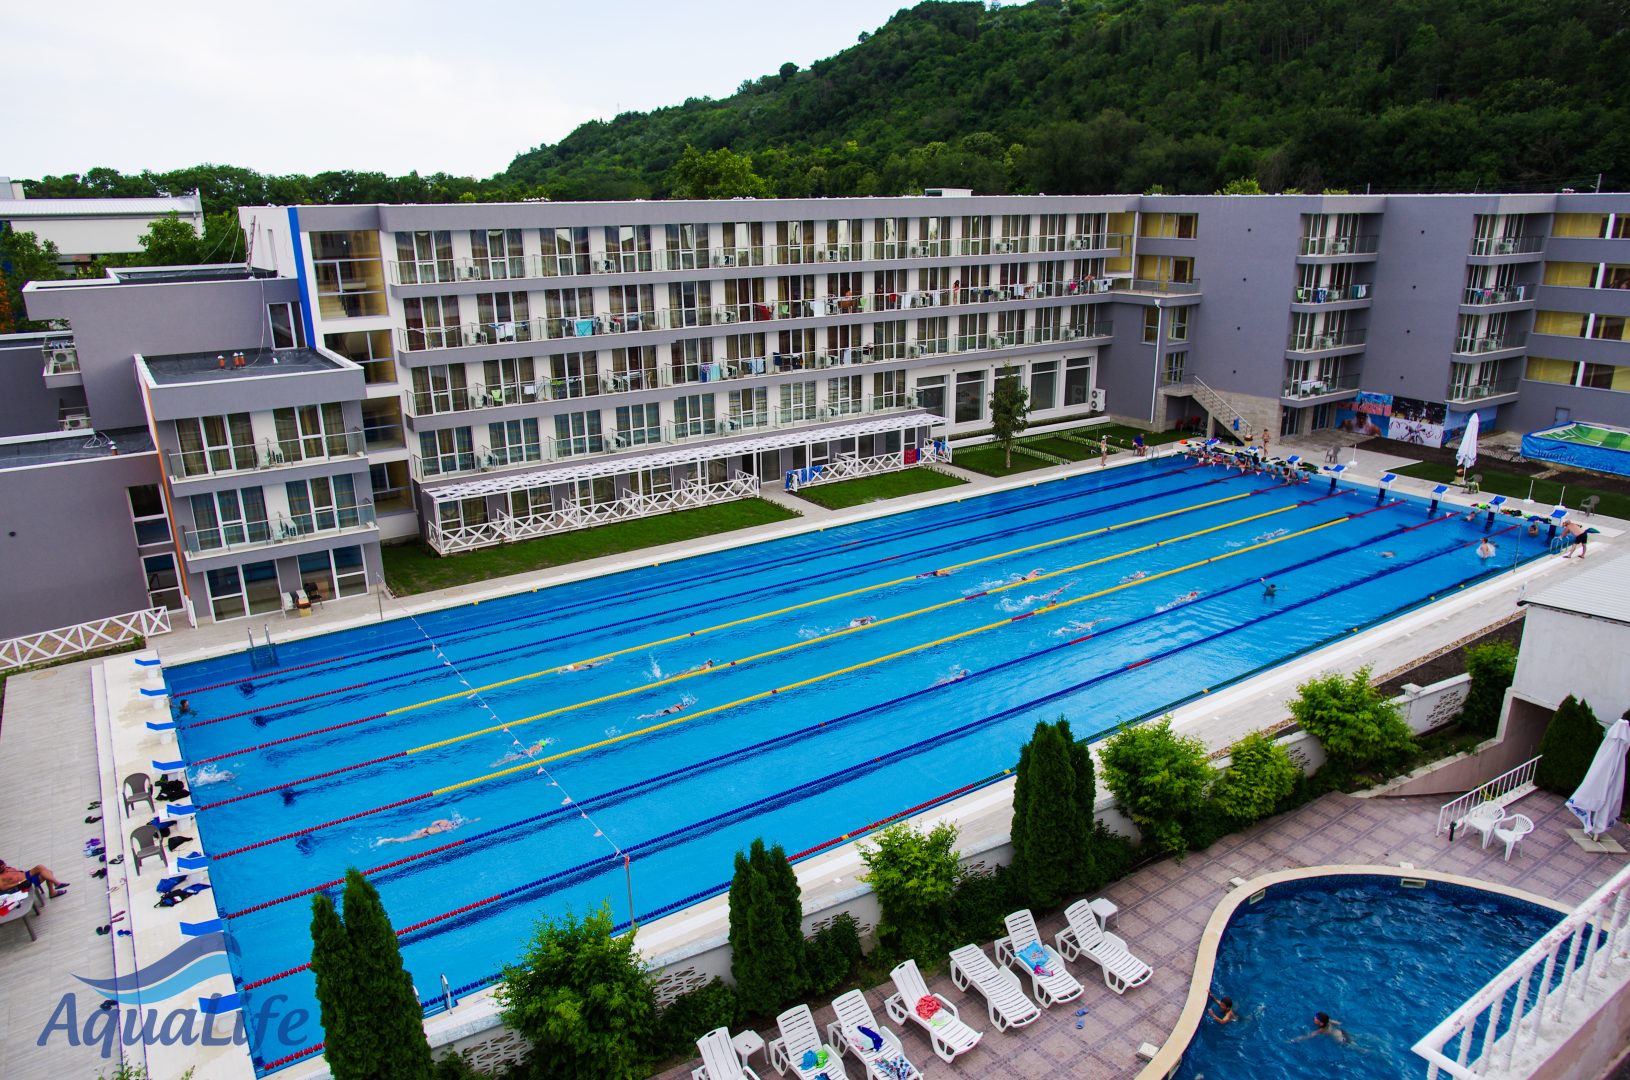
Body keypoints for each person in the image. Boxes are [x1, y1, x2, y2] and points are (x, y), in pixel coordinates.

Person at [378, 816, 474, 845]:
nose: (452, 825)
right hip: (425, 832)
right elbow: (433, 822)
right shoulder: (444, 821)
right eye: (453, 824)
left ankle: (389, 840)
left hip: (426, 832)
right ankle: (387, 840)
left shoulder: (447, 826)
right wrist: (436, 826)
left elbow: (463, 824)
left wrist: (472, 821)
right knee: (405, 840)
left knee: (406, 838)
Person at [0, 857, 67, 898]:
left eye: (4, 865)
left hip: (26, 876)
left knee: (47, 871)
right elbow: (3, 888)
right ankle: (56, 886)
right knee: (45, 870)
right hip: (24, 883)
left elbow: (18, 872)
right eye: (2, 867)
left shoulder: (8, 868)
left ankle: (55, 888)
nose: (4, 867)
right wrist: (18, 883)